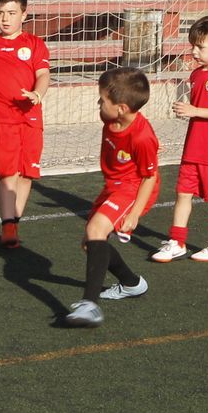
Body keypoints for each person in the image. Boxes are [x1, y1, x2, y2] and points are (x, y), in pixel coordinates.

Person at [65, 67, 157, 327]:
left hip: (132, 187)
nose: (98, 103)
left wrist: (135, 213)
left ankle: (90, 305)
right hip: (113, 186)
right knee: (91, 244)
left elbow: (149, 178)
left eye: (102, 100)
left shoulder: (142, 137)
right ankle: (131, 283)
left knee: (96, 230)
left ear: (122, 108)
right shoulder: (111, 119)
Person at [155, 15, 208, 263]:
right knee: (182, 192)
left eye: (200, 47)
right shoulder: (197, 75)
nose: (194, 52)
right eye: (193, 46)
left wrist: (194, 111)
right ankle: (177, 241)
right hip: (193, 148)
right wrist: (188, 109)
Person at [0, 0, 51, 249]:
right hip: (0, 118)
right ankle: (8, 225)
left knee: (27, 173)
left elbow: (43, 74)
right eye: (0, 13)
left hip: (30, 118)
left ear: (24, 14)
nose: (5, 19)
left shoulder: (34, 44)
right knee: (7, 173)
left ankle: (15, 221)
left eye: (11, 13)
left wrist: (37, 95)